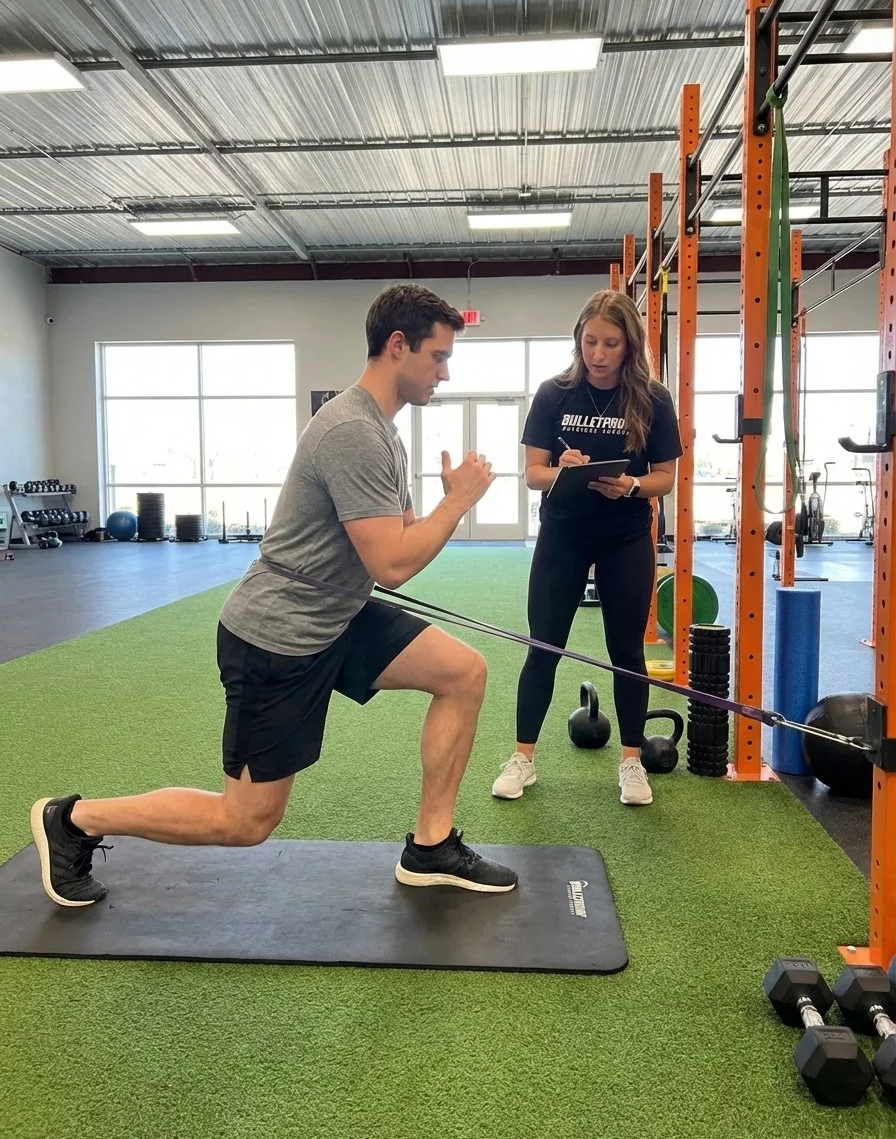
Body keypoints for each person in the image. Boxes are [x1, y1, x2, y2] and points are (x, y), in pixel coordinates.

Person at [32, 283, 519, 908]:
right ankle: (73, 820)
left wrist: (444, 506)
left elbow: (398, 539)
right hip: (277, 637)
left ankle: (431, 848)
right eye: (439, 357)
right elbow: (394, 564)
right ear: (398, 346)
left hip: (336, 618)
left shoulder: (384, 433)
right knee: (246, 822)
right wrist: (458, 502)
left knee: (462, 672)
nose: (445, 374)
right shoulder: (352, 431)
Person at [491, 289, 682, 807]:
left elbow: (666, 476)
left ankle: (631, 763)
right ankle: (523, 759)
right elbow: (533, 474)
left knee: (627, 654)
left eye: (610, 343)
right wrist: (564, 470)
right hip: (564, 533)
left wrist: (633, 486)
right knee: (544, 646)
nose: (597, 353)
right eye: (590, 340)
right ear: (578, 339)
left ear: (629, 346)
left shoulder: (654, 399)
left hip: (625, 536)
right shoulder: (555, 393)